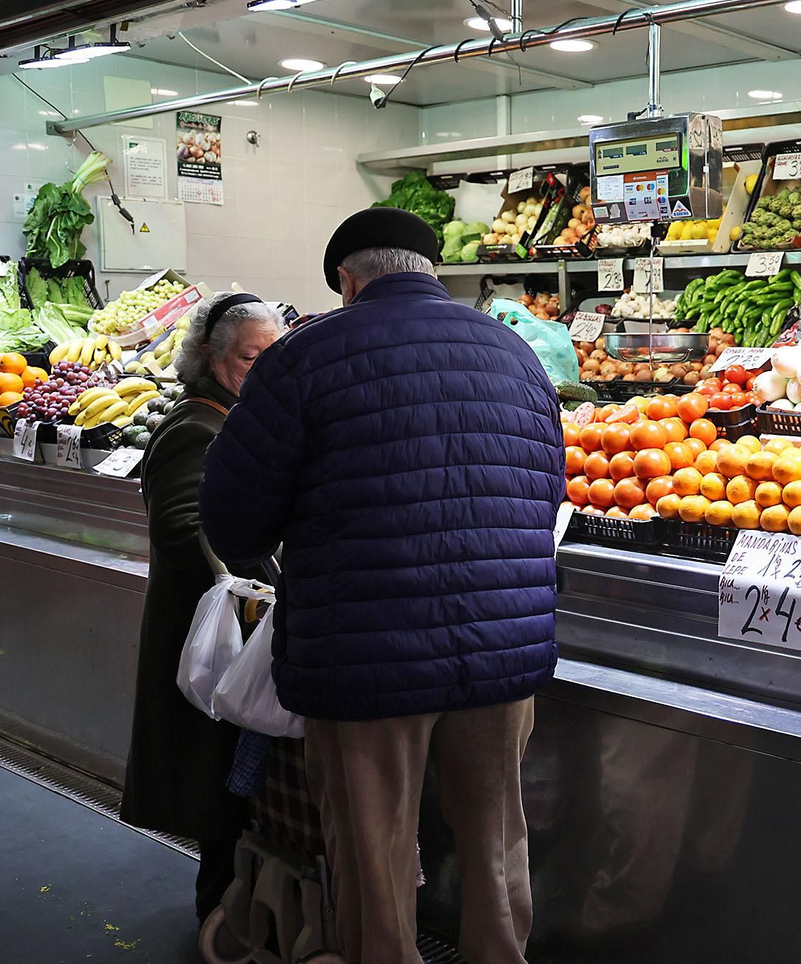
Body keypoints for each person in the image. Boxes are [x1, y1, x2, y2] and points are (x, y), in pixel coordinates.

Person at [198, 206, 564, 964]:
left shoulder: (305, 357)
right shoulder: (518, 355)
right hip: (502, 649)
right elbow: (546, 490)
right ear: (430, 270)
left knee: (376, 859)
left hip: (365, 655)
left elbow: (233, 519)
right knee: (497, 850)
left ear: (346, 279)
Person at [120, 292, 285, 923]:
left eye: (275, 356)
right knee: (216, 786)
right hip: (211, 632)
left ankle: (233, 911)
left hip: (232, 628)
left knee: (230, 786)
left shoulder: (233, 419)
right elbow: (184, 528)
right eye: (250, 358)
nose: (264, 369)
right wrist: (259, 572)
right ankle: (222, 919)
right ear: (211, 358)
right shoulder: (195, 428)